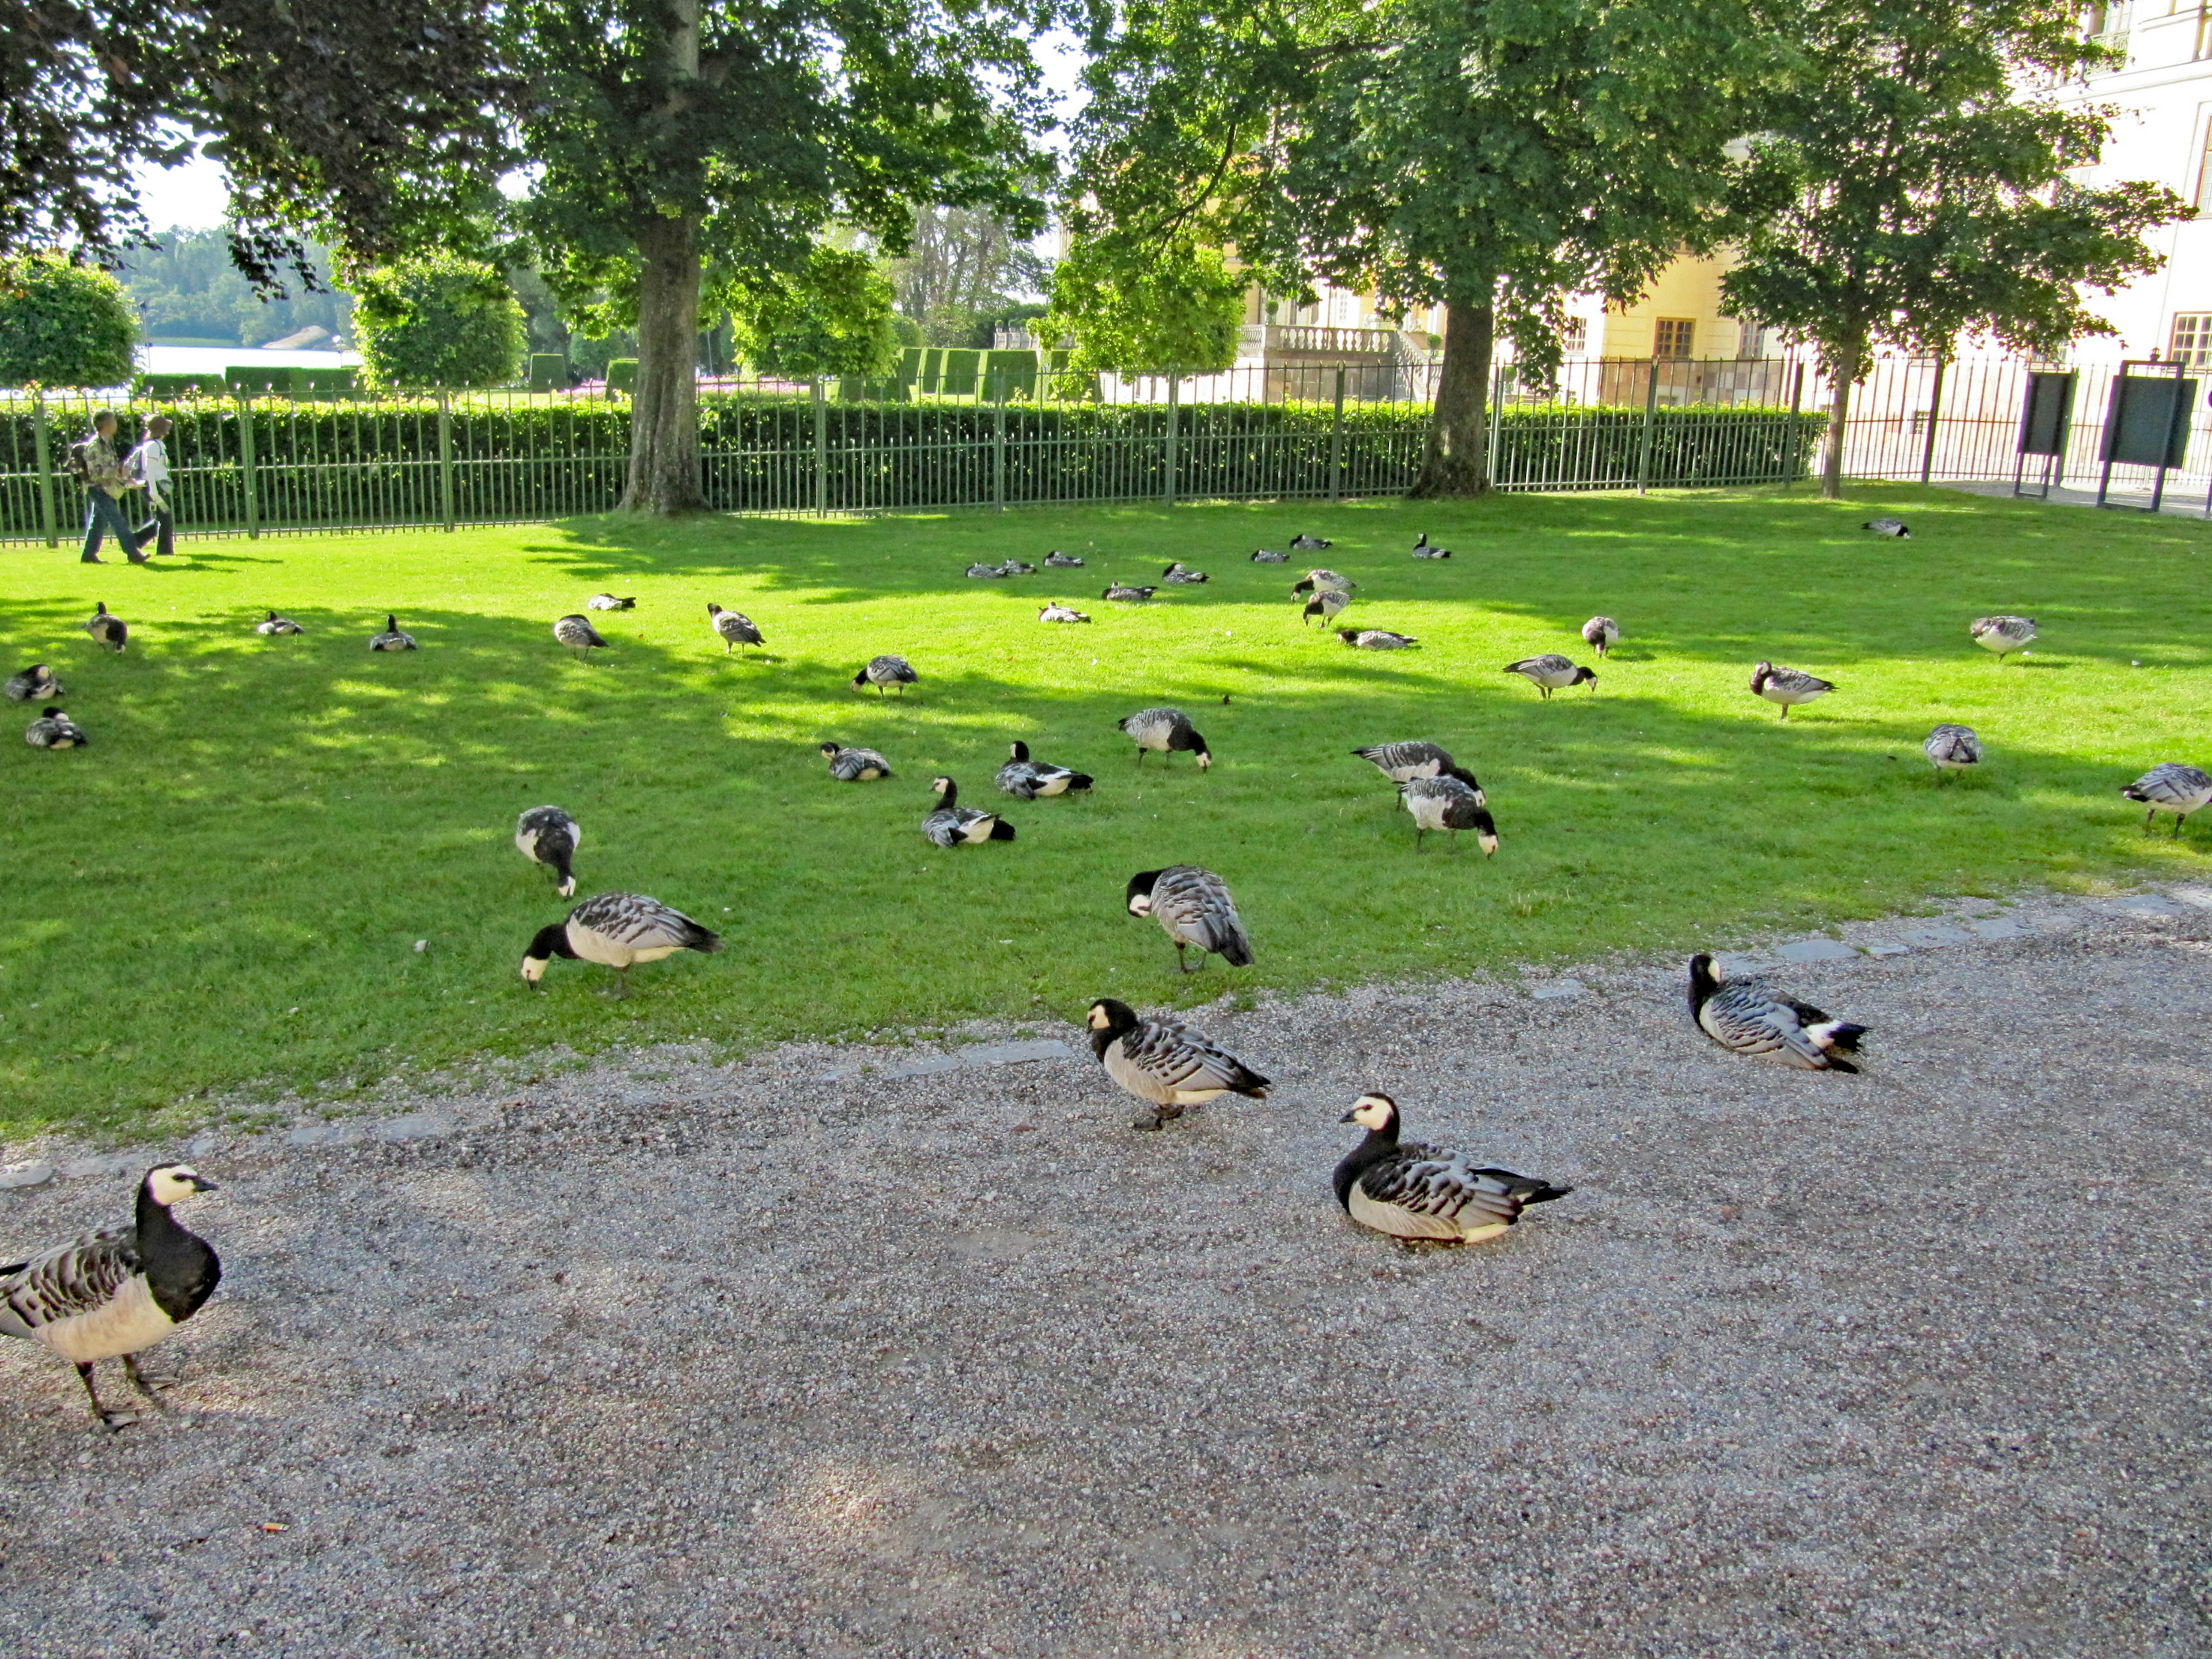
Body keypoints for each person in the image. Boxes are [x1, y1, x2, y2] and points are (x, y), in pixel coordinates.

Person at [68, 410, 146, 565]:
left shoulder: (107, 442)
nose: (116, 424)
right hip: (97, 488)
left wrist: (125, 477)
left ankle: (89, 555)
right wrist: (117, 471)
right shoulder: (95, 445)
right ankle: (133, 552)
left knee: (98, 522)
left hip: (105, 488)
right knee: (117, 520)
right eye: (114, 421)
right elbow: (95, 473)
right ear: (107, 425)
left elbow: (111, 466)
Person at [128, 415, 175, 556]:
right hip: (154, 486)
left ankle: (136, 540)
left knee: (163, 518)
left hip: (154, 485)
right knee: (166, 517)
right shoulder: (154, 446)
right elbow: (150, 469)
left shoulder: (152, 445)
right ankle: (165, 551)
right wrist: (154, 491)